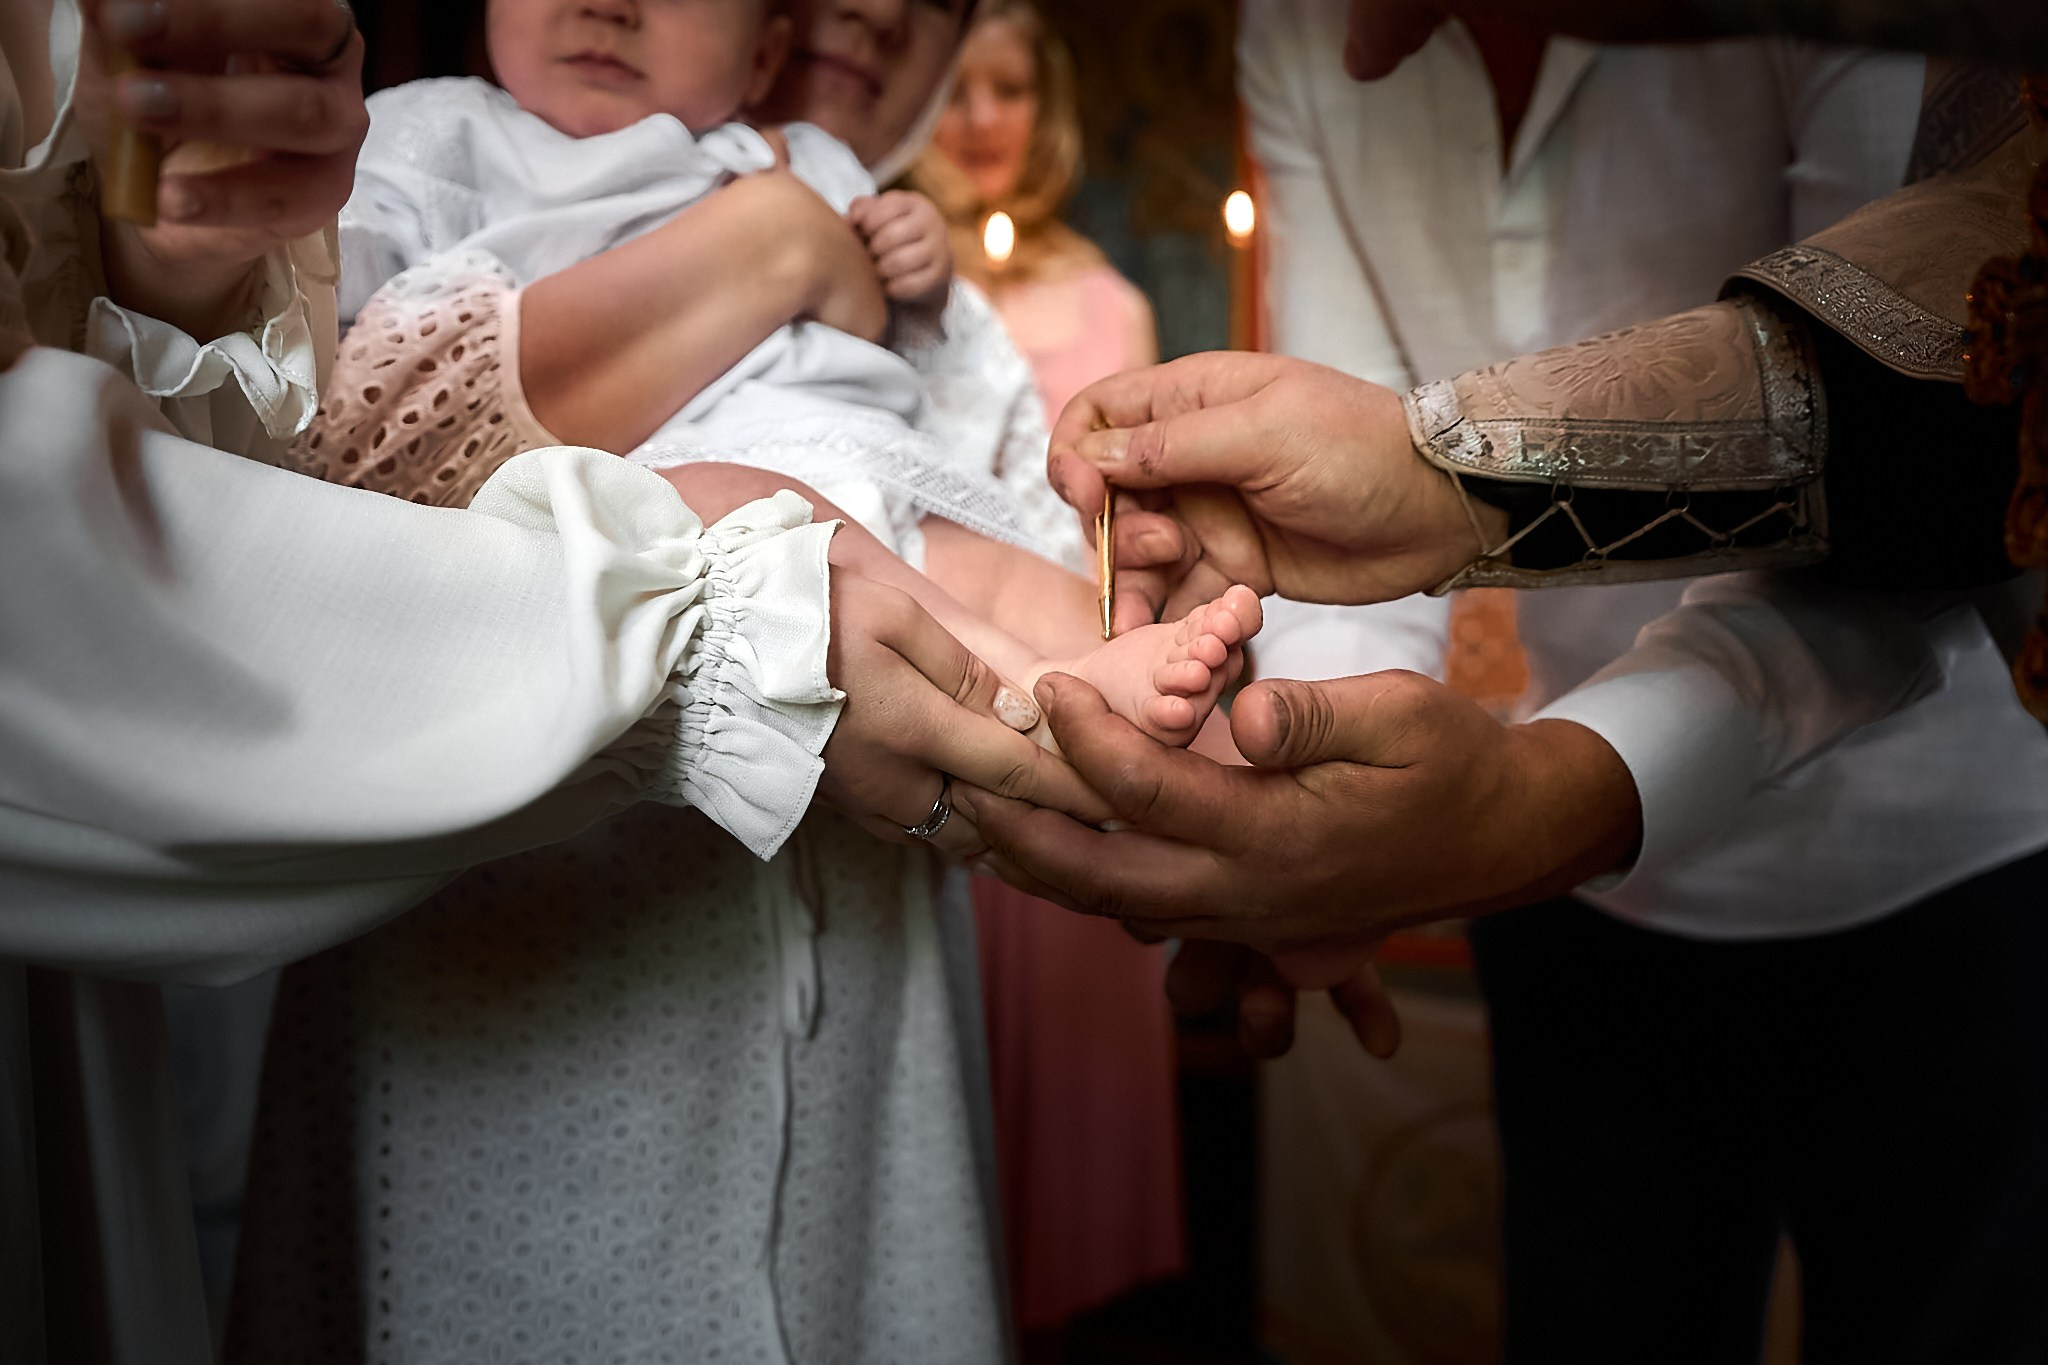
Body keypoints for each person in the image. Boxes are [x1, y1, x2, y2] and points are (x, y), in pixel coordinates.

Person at [0, 2, 1107, 1361]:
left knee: (1008, 612)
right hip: (524, 913)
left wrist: (906, 273)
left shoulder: (809, 165)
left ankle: (1164, 734)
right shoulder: (421, 143)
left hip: (858, 915)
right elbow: (318, 453)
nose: (608, 4)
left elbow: (958, 424)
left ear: (763, 47)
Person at [1236, 5, 2048, 1360]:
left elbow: (1917, 432)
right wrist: (1328, 781)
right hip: (1580, 897)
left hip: (1944, 868)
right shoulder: (1295, 24)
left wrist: (1559, 788)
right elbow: (1343, 488)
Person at [918, 0, 1186, 1333]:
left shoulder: (1107, 300)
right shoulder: (890, 287)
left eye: (1006, 89)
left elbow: (1136, 534)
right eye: (955, 90)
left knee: (1074, 1012)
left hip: (1080, 694)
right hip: (936, 691)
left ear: (1046, 104)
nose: (978, 121)